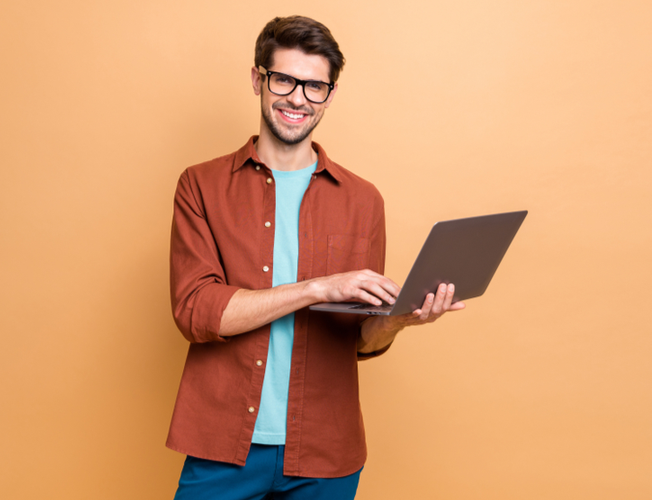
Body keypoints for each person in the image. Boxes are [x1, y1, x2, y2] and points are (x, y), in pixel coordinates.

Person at [167, 15, 464, 500]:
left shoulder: (363, 200)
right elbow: (196, 313)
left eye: (315, 86)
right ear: (257, 79)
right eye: (284, 79)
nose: (298, 98)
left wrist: (396, 321)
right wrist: (317, 287)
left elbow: (359, 340)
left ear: (330, 93)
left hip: (325, 454)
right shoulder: (200, 186)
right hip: (222, 446)